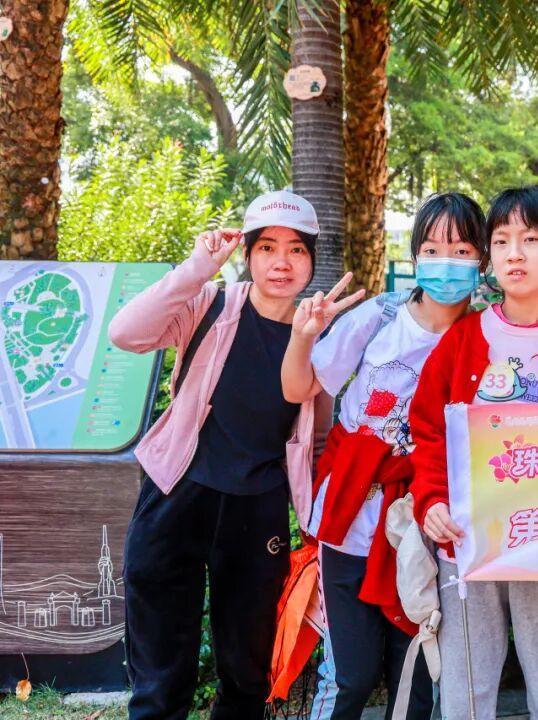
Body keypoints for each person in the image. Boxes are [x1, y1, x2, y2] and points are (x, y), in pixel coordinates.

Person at [109, 190, 331, 719]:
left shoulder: (317, 333)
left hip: (257, 507)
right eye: (267, 247)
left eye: (296, 250)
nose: (281, 262)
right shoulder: (209, 304)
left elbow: (316, 436)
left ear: (311, 260)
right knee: (160, 666)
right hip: (177, 491)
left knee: (246, 668)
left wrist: (319, 514)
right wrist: (196, 269)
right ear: (247, 253)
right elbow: (125, 333)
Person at [279, 192, 487, 720]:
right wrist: (303, 337)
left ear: (482, 260)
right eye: (433, 249)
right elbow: (300, 387)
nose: (447, 262)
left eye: (462, 251)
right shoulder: (379, 316)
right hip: (350, 514)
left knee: (413, 674)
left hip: (428, 524)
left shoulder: (485, 338)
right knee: (350, 675)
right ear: (415, 255)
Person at [409, 186, 538, 720]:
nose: (514, 254)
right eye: (501, 241)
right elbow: (427, 430)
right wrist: (432, 499)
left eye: (530, 239)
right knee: (465, 691)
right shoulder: (461, 340)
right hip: (466, 543)